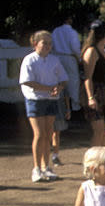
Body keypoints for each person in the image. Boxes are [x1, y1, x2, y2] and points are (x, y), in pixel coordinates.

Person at [19, 30, 68, 183]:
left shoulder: (54, 60)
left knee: (48, 134)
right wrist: (48, 89)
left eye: (50, 43)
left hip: (51, 100)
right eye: (44, 43)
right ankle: (36, 169)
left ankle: (46, 167)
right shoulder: (29, 60)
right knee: (39, 134)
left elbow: (63, 78)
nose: (48, 46)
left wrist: (58, 88)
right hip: (35, 100)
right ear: (35, 44)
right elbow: (27, 81)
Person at [81, 20, 105, 146]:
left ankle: (102, 159)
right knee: (99, 129)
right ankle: (92, 160)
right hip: (94, 91)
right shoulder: (91, 51)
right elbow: (88, 77)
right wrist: (90, 97)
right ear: (104, 34)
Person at [51, 14, 82, 112]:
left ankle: (62, 105)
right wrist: (79, 59)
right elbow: (75, 47)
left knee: (60, 80)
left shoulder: (55, 31)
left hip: (57, 57)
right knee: (73, 81)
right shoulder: (72, 32)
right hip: (69, 57)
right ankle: (75, 105)